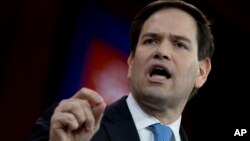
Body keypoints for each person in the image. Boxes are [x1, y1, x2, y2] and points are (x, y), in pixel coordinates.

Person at [29, 0, 214, 141]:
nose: (162, 52)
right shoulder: (70, 126)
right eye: (150, 41)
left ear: (201, 72)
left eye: (179, 44)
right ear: (131, 61)